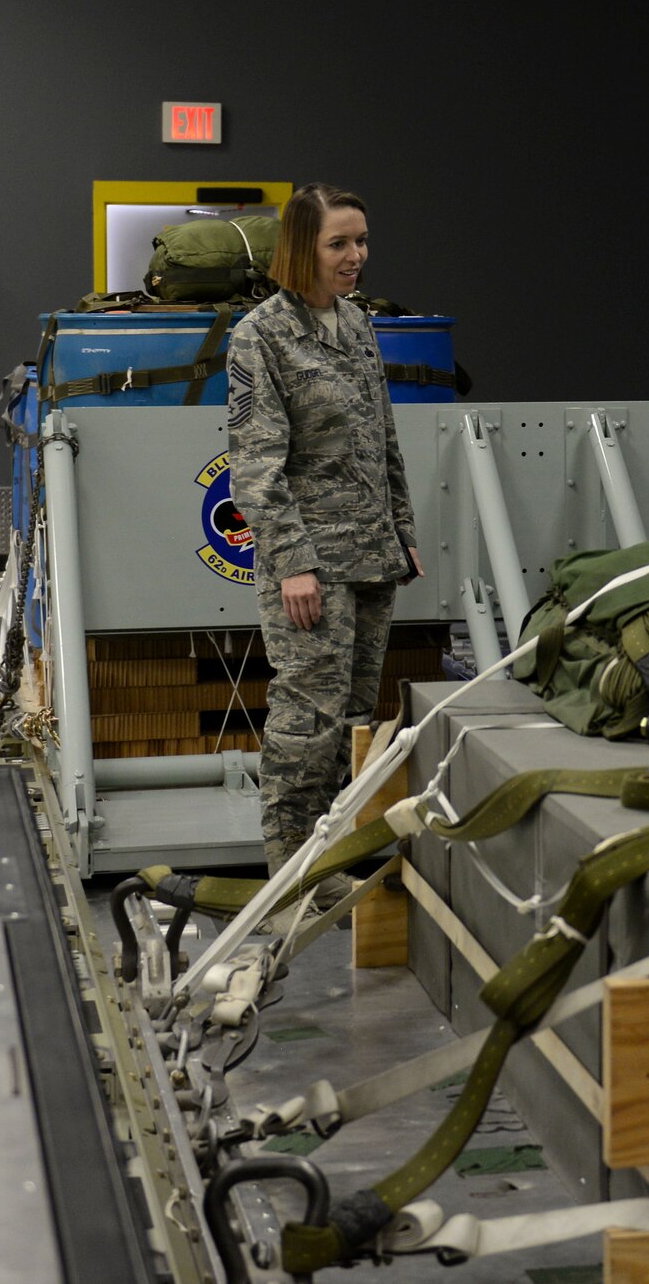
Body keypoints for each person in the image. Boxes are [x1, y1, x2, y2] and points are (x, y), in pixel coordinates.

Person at [226, 183, 423, 879]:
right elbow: (255, 464)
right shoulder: (262, 336)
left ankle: (332, 856)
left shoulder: (358, 325)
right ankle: (288, 872)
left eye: (361, 240)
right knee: (305, 725)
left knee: (353, 722)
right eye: (338, 243)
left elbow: (382, 437)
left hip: (372, 556)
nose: (355, 255)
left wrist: (402, 527)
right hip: (312, 565)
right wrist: (291, 563)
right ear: (301, 249)